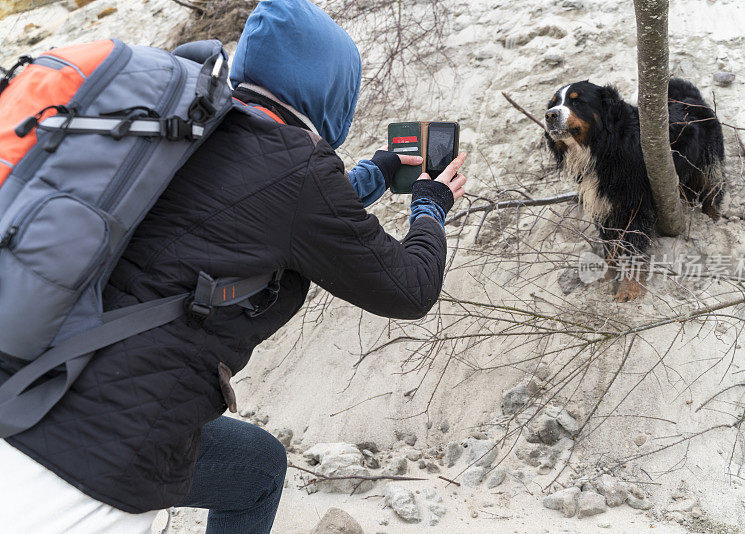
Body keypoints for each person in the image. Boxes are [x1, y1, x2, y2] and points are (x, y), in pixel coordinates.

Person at [0, 0, 468, 532]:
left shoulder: (187, 120)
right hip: (101, 457)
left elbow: (255, 218)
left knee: (257, 467)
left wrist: (376, 174)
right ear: (334, 93)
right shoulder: (298, 171)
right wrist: (430, 206)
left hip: (23, 383)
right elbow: (408, 288)